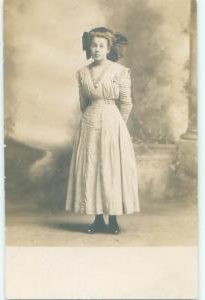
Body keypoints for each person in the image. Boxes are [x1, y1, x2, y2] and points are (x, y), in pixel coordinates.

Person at [65, 27, 140, 234]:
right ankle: (97, 218)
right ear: (89, 47)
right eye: (94, 45)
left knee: (111, 167)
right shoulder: (81, 73)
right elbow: (83, 102)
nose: (97, 49)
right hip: (89, 122)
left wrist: (117, 125)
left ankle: (113, 219)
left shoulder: (120, 72)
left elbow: (126, 103)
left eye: (101, 46)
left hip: (112, 122)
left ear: (108, 49)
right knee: (93, 167)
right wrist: (92, 115)